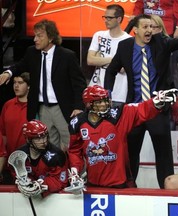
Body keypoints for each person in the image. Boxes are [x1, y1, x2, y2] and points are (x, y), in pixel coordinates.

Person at [104, 14, 178, 188]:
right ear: (135, 30)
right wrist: (108, 94)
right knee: (131, 152)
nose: (150, 30)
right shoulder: (124, 46)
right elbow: (111, 70)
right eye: (145, 27)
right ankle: (127, 187)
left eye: (151, 27)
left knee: (164, 154)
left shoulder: (161, 42)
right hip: (134, 109)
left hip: (157, 107)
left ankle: (167, 189)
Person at [67, 85, 177, 190]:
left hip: (121, 184)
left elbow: (140, 110)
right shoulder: (77, 123)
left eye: (106, 100)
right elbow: (74, 150)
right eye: (100, 102)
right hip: (93, 184)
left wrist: (156, 102)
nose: (104, 104)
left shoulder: (119, 115)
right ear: (88, 105)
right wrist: (75, 171)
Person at [0, 19, 87, 152]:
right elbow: (20, 66)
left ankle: (76, 172)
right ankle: (56, 173)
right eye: (35, 35)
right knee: (49, 147)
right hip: (42, 109)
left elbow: (79, 84)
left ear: (51, 37)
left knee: (71, 145)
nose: (35, 39)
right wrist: (8, 72)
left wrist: (78, 106)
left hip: (63, 109)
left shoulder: (67, 56)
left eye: (39, 36)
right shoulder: (32, 53)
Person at [131, 0, 178, 96]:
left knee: (172, 67)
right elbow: (139, 4)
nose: (150, 30)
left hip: (168, 29)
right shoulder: (132, 45)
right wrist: (136, 18)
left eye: (152, 28)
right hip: (141, 93)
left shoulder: (168, 44)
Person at [10, 120, 68, 198]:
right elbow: (15, 173)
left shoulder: (57, 155)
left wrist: (42, 184)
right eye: (38, 139)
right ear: (28, 140)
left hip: (53, 199)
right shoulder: (18, 156)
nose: (43, 141)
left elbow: (60, 180)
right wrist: (22, 182)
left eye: (45, 137)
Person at [87, 4, 131, 103]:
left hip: (118, 93)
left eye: (109, 18)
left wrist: (99, 59)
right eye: (105, 17)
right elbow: (90, 60)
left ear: (119, 19)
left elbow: (123, 68)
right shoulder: (98, 35)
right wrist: (114, 60)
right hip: (96, 91)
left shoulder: (128, 40)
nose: (106, 20)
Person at [0, 72, 30, 184]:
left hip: (30, 164)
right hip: (9, 163)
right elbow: (2, 134)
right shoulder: (7, 105)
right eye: (14, 83)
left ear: (29, 86)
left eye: (20, 83)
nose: (16, 86)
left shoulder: (36, 107)